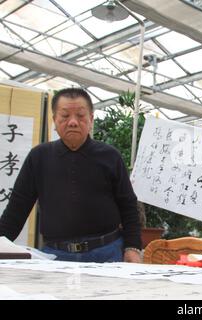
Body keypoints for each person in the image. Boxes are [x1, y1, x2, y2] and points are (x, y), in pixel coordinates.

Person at [0, 88, 142, 263]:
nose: (73, 122)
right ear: (54, 120)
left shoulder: (110, 156)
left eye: (81, 116)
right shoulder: (39, 157)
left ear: (91, 119)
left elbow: (128, 205)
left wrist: (133, 248)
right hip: (55, 255)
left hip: (107, 252)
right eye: (65, 116)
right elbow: (17, 209)